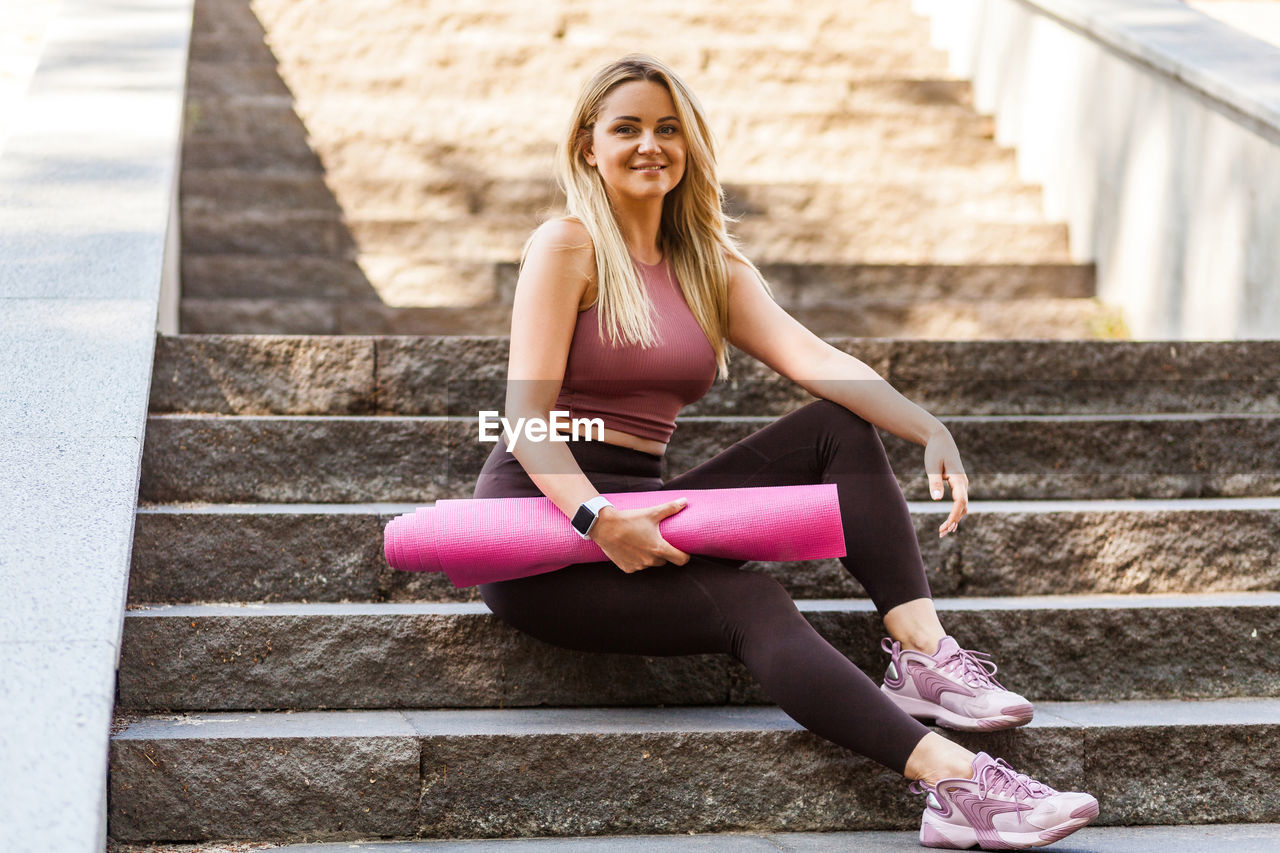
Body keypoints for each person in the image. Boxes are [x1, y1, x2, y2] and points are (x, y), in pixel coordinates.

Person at [473, 54, 1098, 850]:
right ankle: (958, 781)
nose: (649, 145)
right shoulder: (567, 246)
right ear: (587, 146)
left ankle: (923, 656)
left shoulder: (710, 265)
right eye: (625, 128)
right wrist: (597, 519)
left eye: (668, 128)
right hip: (544, 530)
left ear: (691, 145)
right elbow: (523, 419)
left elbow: (821, 362)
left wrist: (928, 425)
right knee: (755, 601)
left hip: (646, 510)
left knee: (837, 424)